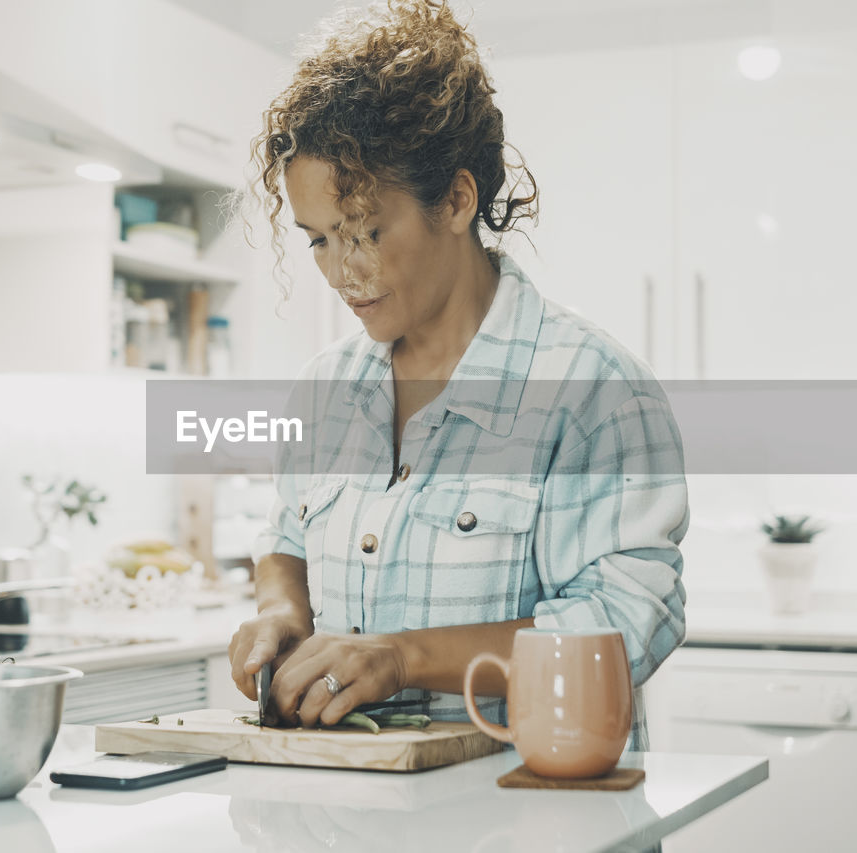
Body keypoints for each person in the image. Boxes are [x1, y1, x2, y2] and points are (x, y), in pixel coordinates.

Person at [228, 0, 689, 751]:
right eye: (318, 241)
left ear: (456, 200)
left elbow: (624, 626)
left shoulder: (591, 389)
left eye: (367, 232)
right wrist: (281, 611)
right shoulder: (325, 389)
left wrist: (402, 657)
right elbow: (288, 540)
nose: (345, 272)